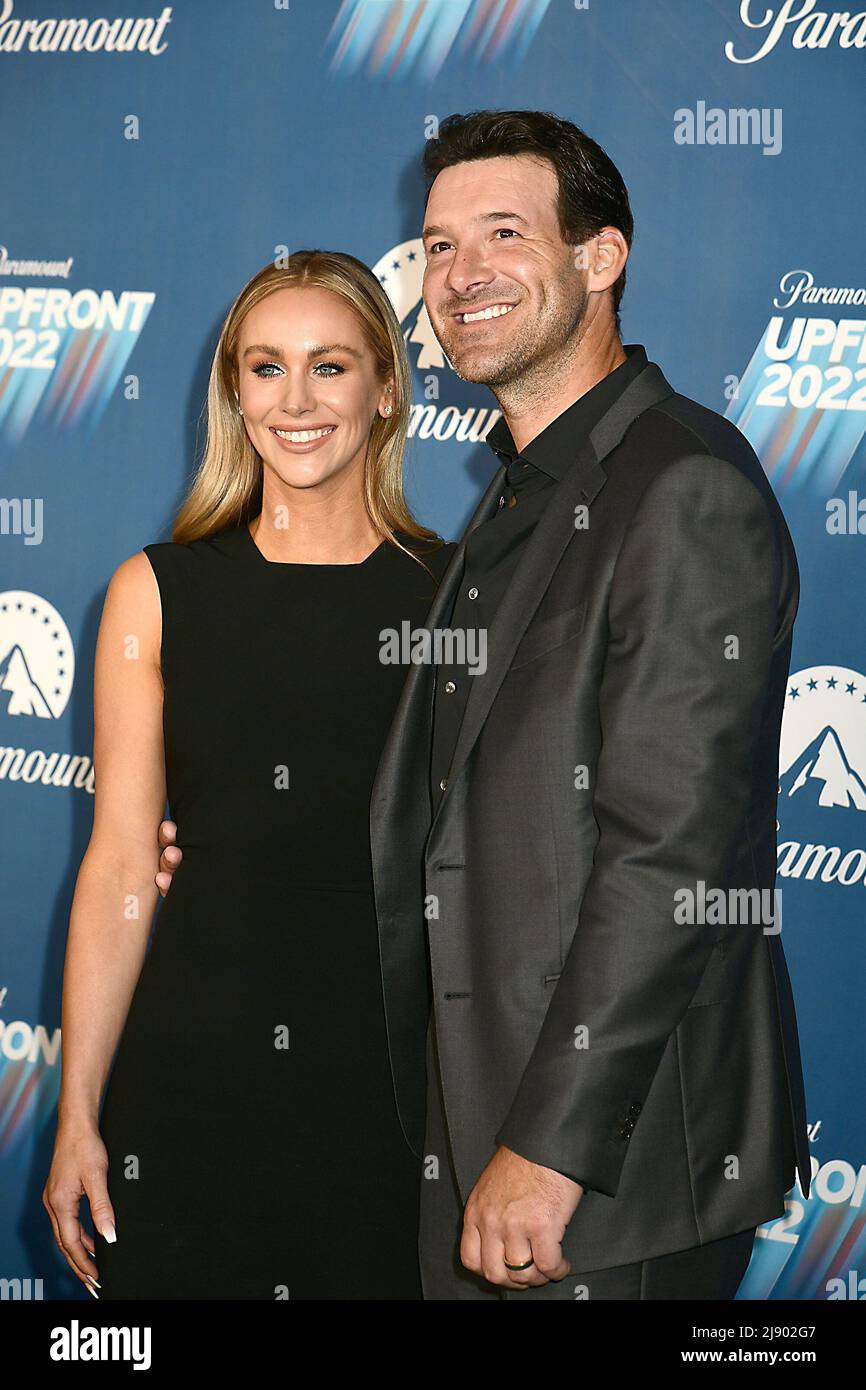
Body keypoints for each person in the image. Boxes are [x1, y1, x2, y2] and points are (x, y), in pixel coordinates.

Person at [157, 110, 811, 1303]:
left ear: (599, 257)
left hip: (605, 1178)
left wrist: (548, 1146)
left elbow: (669, 855)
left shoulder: (681, 487)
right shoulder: (518, 494)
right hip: (475, 1133)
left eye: (501, 234)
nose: (460, 275)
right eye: (439, 245)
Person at [43, 250, 453, 1300]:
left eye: (331, 366)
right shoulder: (156, 590)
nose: (296, 400)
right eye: (265, 368)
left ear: (386, 388)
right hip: (191, 1071)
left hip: (395, 1090)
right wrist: (78, 1112)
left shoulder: (460, 597)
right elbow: (124, 864)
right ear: (233, 391)